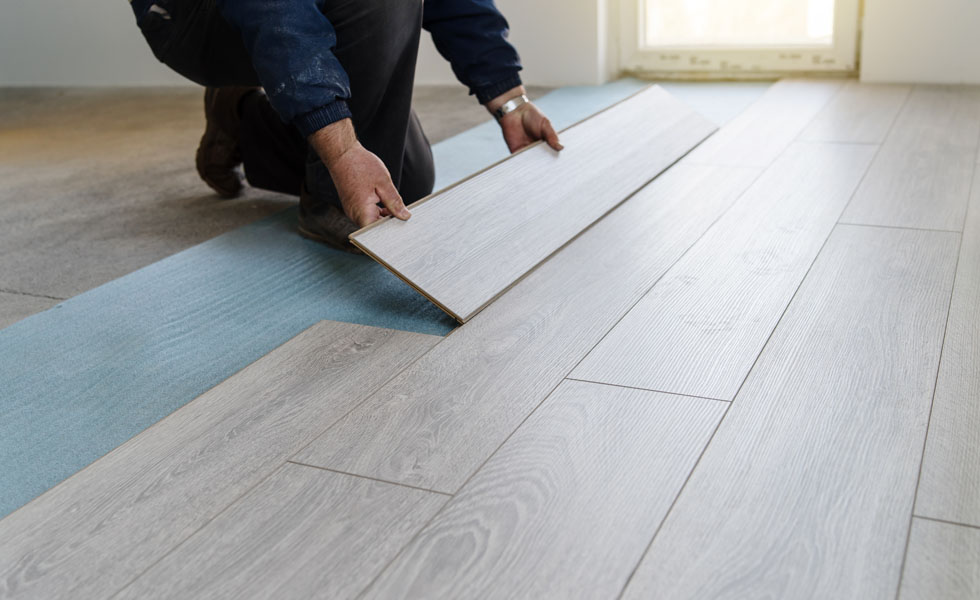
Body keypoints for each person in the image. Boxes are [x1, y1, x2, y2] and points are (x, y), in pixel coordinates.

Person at [130, 0, 563, 252]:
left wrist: (509, 100)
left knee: (406, 183)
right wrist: (339, 152)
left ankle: (242, 115)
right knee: (360, 196)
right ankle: (327, 201)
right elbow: (273, 7)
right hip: (195, 17)